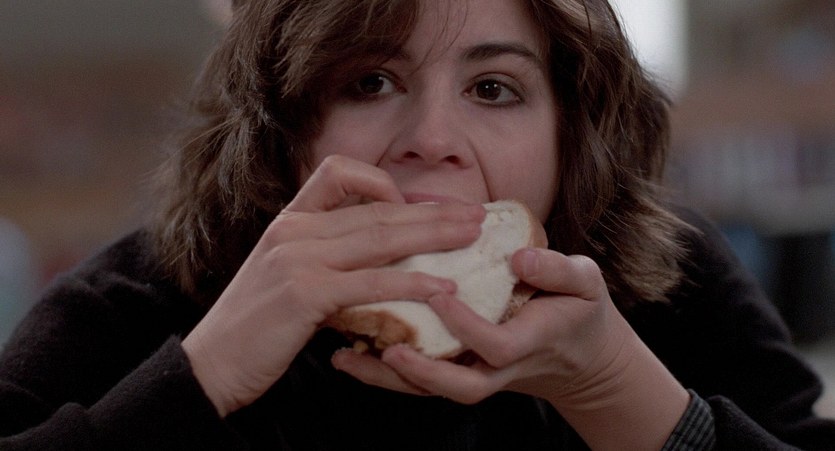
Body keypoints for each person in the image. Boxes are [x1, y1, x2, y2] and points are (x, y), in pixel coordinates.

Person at [1, 0, 834, 449]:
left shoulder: (669, 275)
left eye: (493, 90)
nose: (432, 140)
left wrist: (614, 390)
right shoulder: (136, 299)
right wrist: (201, 377)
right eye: (368, 82)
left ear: (567, 136)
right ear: (284, 132)